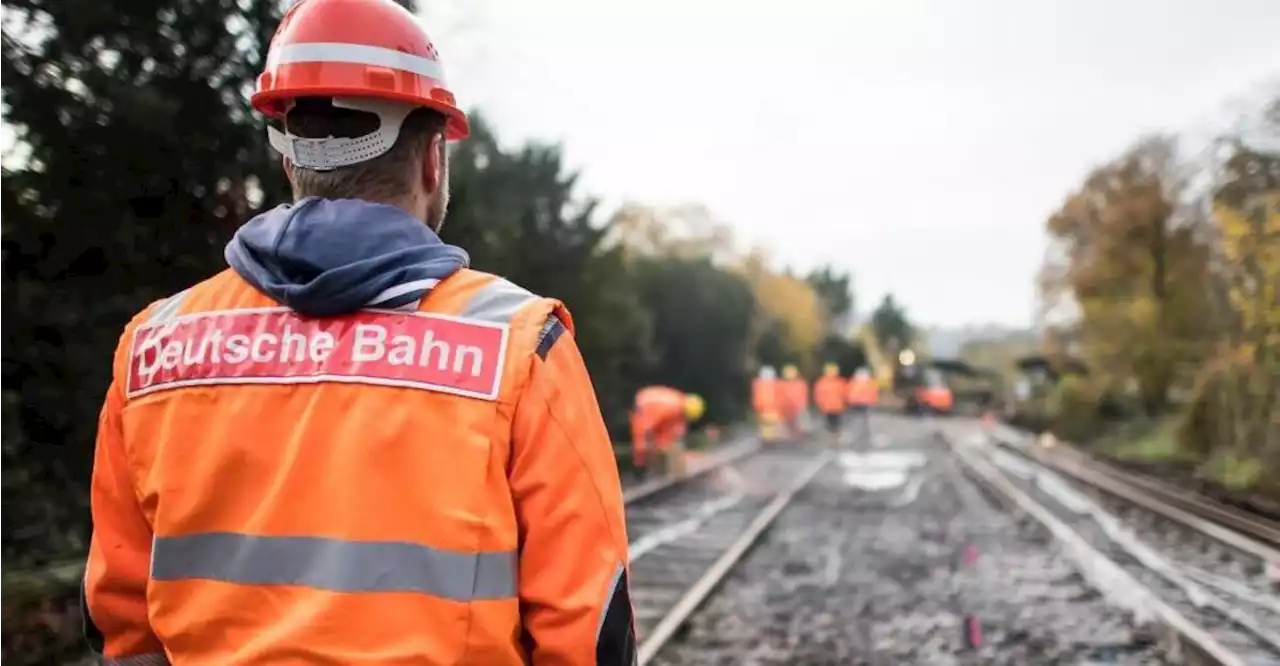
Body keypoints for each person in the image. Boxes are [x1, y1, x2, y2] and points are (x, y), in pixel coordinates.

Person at [80, 1, 635, 664]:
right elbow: (586, 629)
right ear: (434, 159)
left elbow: (121, 624)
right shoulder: (519, 346)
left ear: (289, 159)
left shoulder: (155, 349)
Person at [629, 386, 705, 479]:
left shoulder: (680, 404)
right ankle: (640, 470)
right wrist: (640, 459)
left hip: (655, 405)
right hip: (645, 405)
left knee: (665, 444)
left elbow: (674, 431)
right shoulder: (667, 409)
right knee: (643, 444)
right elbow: (643, 428)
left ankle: (665, 470)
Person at [812, 363, 848, 441]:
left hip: (838, 407)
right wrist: (819, 404)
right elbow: (818, 394)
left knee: (837, 425)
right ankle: (830, 440)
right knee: (828, 426)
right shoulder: (821, 382)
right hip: (826, 408)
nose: (832, 373)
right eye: (830, 371)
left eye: (834, 371)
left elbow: (845, 393)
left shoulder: (841, 382)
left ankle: (836, 440)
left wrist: (845, 403)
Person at [846, 366, 879, 443]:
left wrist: (849, 401)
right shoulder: (869, 382)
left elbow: (848, 392)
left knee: (862, 419)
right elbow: (849, 393)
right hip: (861, 404)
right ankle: (862, 434)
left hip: (861, 403)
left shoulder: (854, 382)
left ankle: (862, 434)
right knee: (862, 419)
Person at [778, 364, 809, 438]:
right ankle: (789, 436)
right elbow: (778, 395)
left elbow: (804, 394)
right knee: (786, 424)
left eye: (791, 373)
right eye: (788, 373)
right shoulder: (781, 384)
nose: (790, 375)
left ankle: (797, 436)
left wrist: (803, 405)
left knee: (798, 424)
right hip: (785, 407)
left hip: (797, 407)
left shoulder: (800, 383)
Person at [751, 366, 781, 441]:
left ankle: (768, 438)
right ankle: (768, 438)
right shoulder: (760, 384)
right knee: (767, 424)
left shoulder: (758, 384)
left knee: (767, 424)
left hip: (767, 408)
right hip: (766, 408)